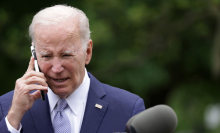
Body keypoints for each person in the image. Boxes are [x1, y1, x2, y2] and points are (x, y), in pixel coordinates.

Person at [0, 5, 145, 133]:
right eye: (46, 56)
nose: (56, 68)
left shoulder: (128, 109)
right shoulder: (7, 107)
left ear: (87, 52)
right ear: (35, 55)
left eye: (66, 55)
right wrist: (13, 119)